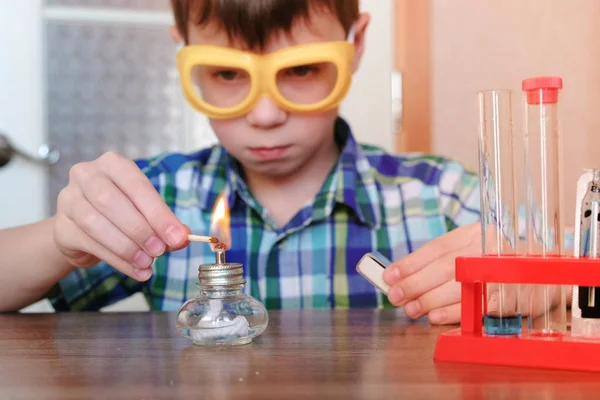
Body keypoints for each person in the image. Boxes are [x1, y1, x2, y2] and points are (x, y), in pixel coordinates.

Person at [0, 0, 481, 325]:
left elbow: (551, 261)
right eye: (228, 73)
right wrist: (63, 241)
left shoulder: (439, 195)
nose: (265, 114)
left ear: (355, 45)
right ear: (184, 54)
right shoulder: (154, 199)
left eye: (300, 69)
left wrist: (531, 276)